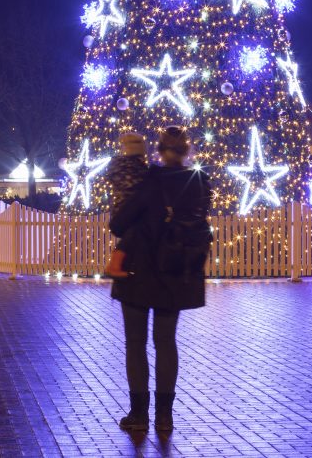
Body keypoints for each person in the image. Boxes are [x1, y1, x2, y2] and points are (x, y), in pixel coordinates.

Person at [109, 126, 212, 435]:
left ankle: (138, 414)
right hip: (177, 272)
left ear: (159, 150)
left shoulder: (150, 182)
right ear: (186, 151)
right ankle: (165, 416)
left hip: (139, 273)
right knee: (166, 342)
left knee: (136, 343)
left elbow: (120, 223)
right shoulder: (200, 184)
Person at [103, 132, 148, 278]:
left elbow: (111, 177)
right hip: (132, 209)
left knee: (132, 234)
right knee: (135, 230)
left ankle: (116, 263)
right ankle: (115, 264)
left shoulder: (117, 165)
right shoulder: (138, 167)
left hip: (120, 209)